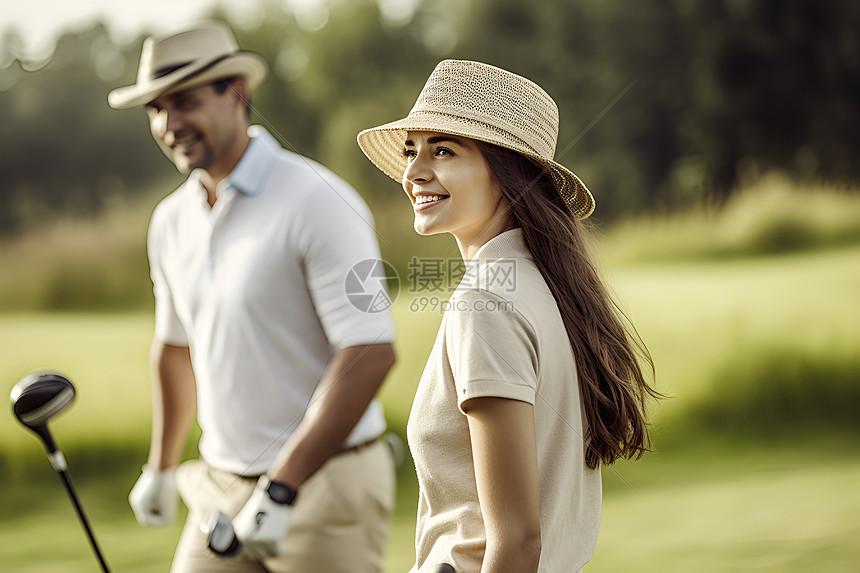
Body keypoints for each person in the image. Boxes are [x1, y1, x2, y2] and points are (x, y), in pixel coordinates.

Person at [108, 21, 397, 573]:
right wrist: (163, 467)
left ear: (236, 94)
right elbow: (175, 349)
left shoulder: (319, 199)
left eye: (184, 102)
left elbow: (369, 350)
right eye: (156, 110)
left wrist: (283, 488)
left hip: (326, 485)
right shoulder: (169, 221)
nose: (170, 124)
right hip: (219, 485)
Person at [357, 60, 661, 573]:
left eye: (444, 150)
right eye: (412, 150)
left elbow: (517, 541)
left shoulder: (487, 301)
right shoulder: (545, 286)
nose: (413, 172)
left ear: (508, 173)